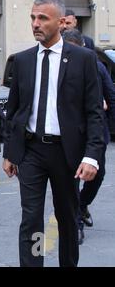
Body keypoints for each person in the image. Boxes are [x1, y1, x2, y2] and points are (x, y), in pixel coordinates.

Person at [2, 0, 105, 267]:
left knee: (67, 218)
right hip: (31, 151)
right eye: (33, 17)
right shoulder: (22, 60)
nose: (36, 24)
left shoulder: (84, 59)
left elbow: (94, 112)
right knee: (31, 218)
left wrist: (92, 156)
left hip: (66, 153)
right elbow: (14, 113)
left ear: (61, 22)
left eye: (43, 18)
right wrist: (10, 152)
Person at [62, 28, 115, 244]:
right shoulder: (59, 67)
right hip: (71, 135)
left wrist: (108, 128)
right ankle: (76, 224)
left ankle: (82, 205)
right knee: (73, 180)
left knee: (98, 175)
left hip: (95, 133)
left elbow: (110, 96)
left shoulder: (97, 66)